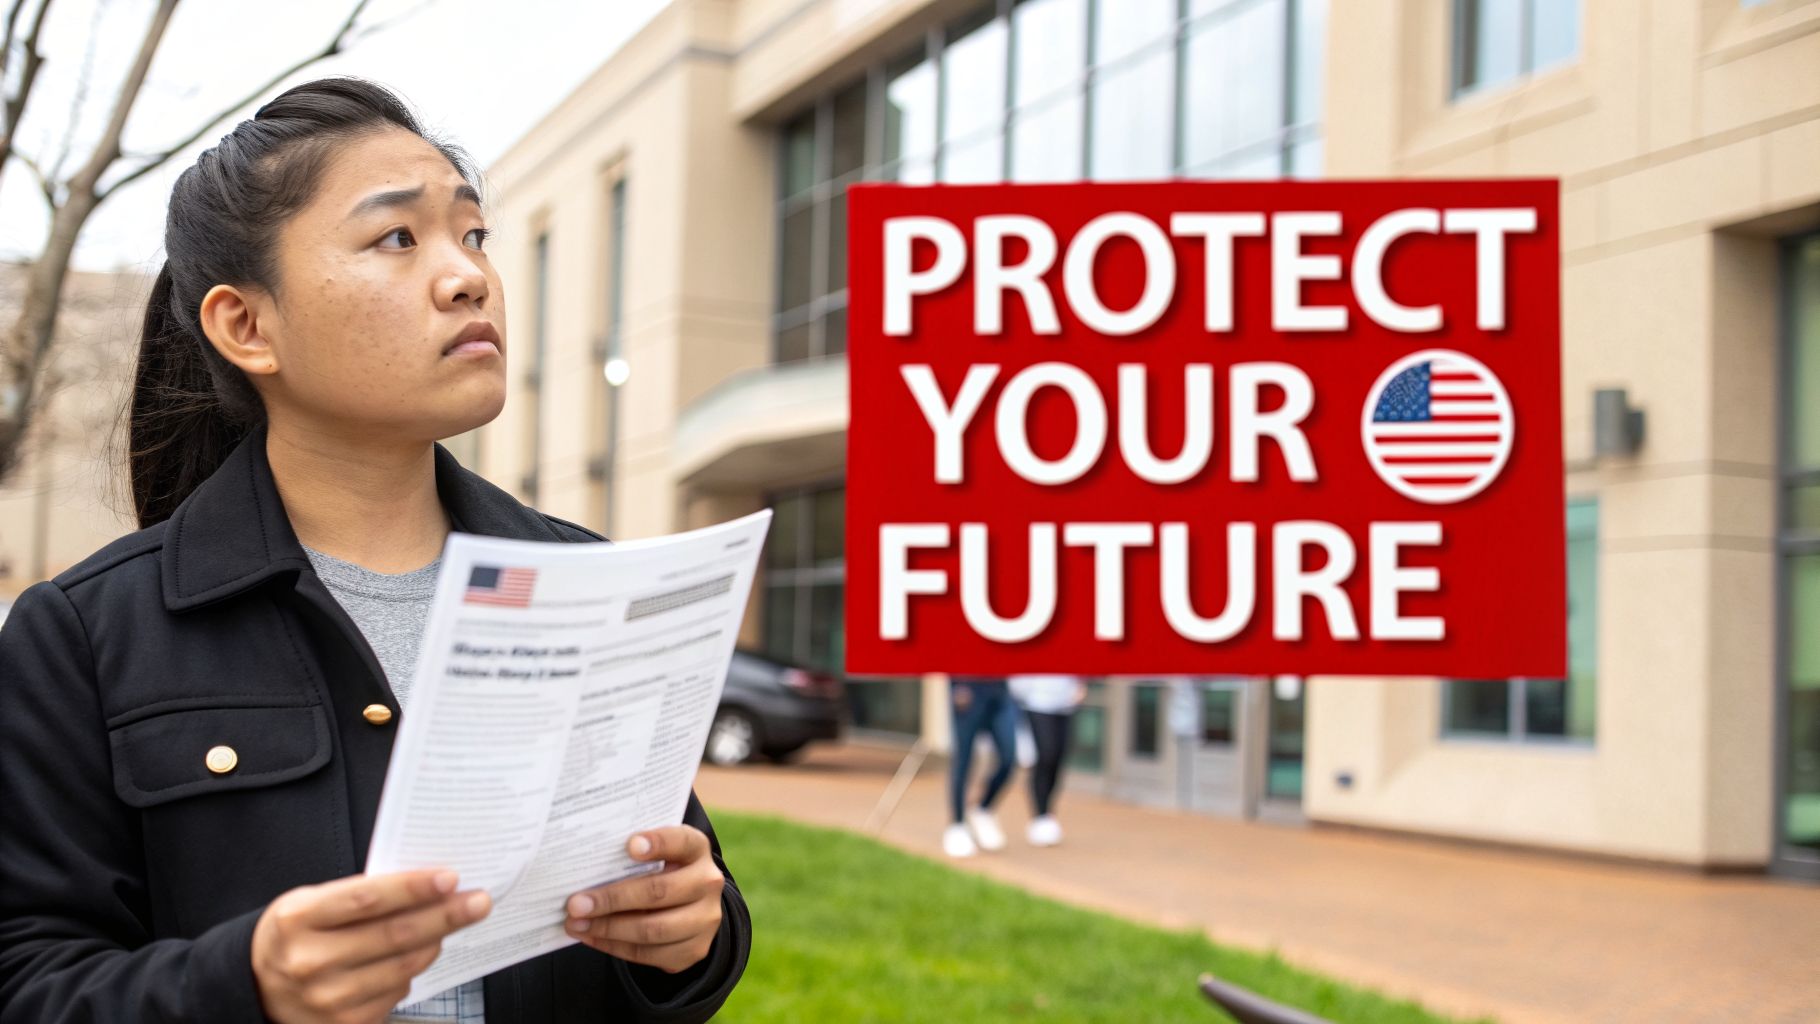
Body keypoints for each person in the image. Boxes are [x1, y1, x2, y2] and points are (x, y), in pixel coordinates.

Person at [0, 78, 749, 1024]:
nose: (467, 275)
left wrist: (693, 931)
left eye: (473, 235)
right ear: (246, 325)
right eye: (398, 238)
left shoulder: (590, 584)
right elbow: (29, 981)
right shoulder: (83, 636)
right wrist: (246, 982)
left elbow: (687, 903)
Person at [942, 675, 1020, 857]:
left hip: (1000, 691)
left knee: (1009, 758)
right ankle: (957, 824)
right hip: (968, 689)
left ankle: (983, 808)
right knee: (964, 760)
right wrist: (957, 684)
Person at [1008, 675, 1087, 847]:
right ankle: (1040, 815)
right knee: (1046, 756)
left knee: (1058, 760)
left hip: (1066, 704)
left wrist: (1080, 683)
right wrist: (1028, 693)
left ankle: (1048, 814)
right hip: (1038, 704)